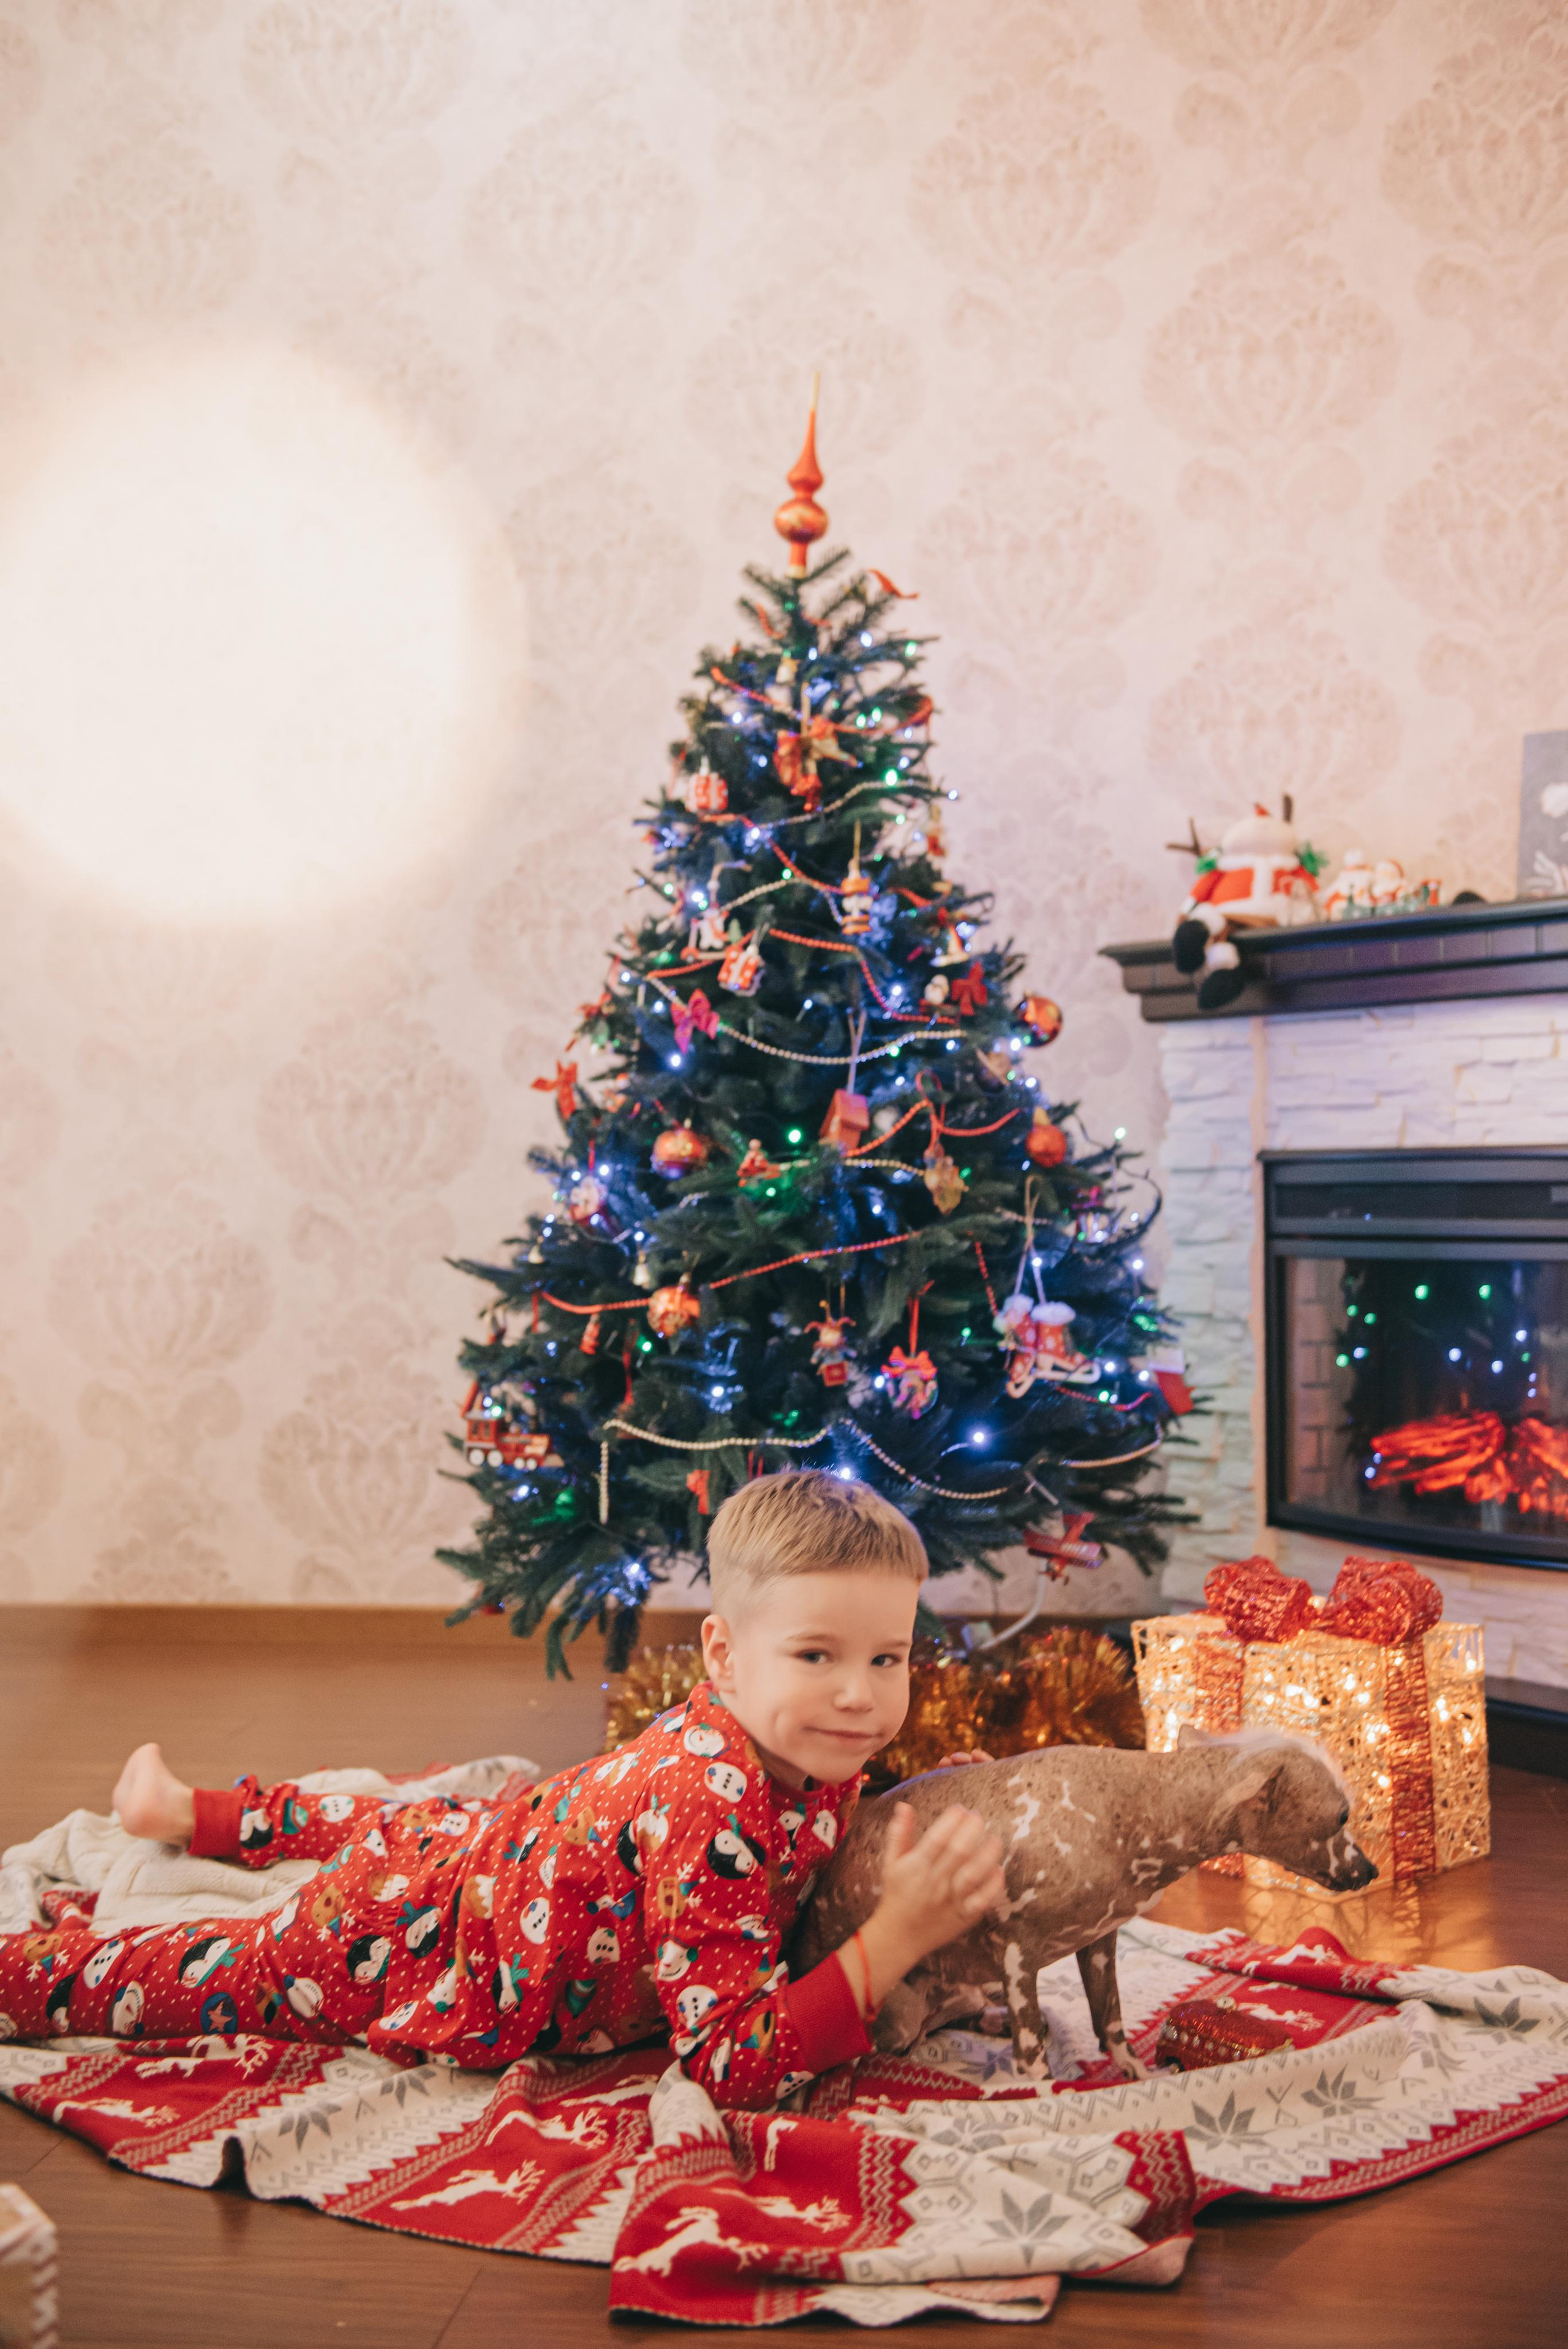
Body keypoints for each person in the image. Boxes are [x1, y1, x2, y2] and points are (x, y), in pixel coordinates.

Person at [0, 1473, 1006, 2110]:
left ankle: (197, 1815)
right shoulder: (712, 1806)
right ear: (724, 1656)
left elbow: (821, 1841)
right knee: (196, 1971)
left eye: (889, 1657)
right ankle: (22, 1966)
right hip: (415, 1948)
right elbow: (732, 2061)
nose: (859, 1693)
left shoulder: (807, 1745)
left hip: (498, 1850)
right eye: (818, 1654)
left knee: (408, 1818)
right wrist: (896, 1940)